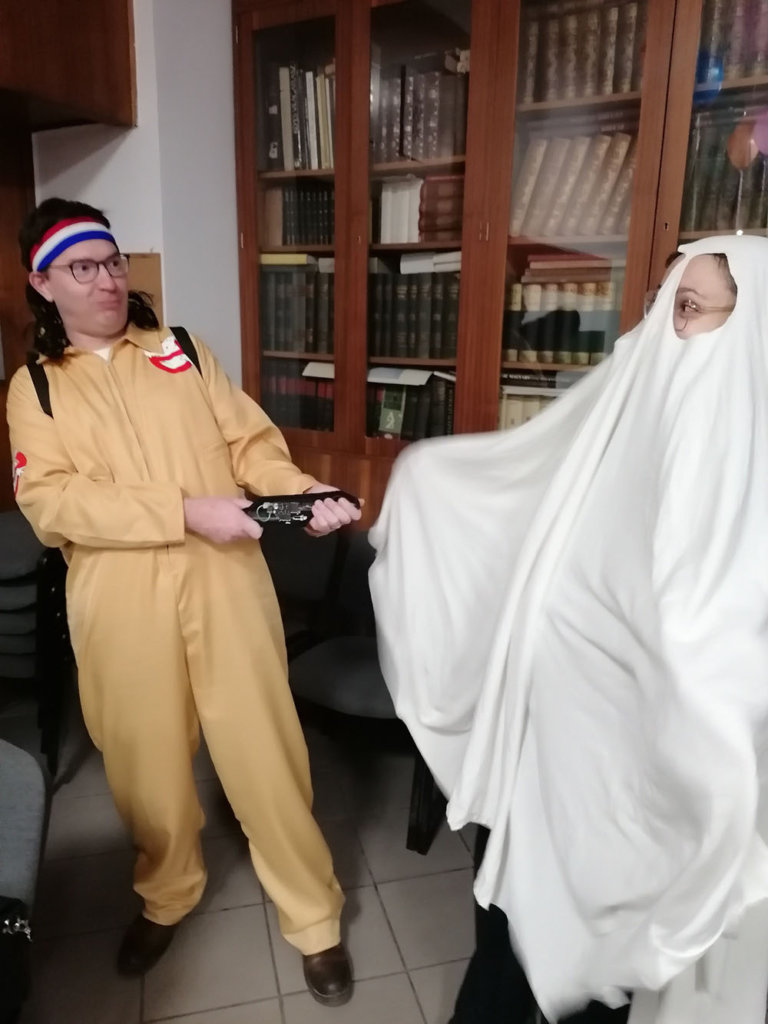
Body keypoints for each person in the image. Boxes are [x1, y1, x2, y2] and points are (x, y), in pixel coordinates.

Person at [369, 235, 768, 1023]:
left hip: (623, 801)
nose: (665, 329)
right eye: (662, 305)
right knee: (503, 947)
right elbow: (521, 489)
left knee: (583, 974)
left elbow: (716, 664)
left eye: (690, 310)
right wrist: (426, 484)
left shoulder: (740, 485)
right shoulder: (622, 426)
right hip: (538, 761)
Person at [8, 197, 362, 1005]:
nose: (106, 280)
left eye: (112, 261)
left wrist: (300, 490)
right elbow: (52, 503)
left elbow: (249, 445)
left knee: (267, 754)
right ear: (43, 283)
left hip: (225, 584)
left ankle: (314, 919)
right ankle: (166, 895)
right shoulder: (36, 390)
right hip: (119, 603)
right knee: (148, 770)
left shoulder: (184, 352)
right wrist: (183, 511)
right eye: (82, 267)